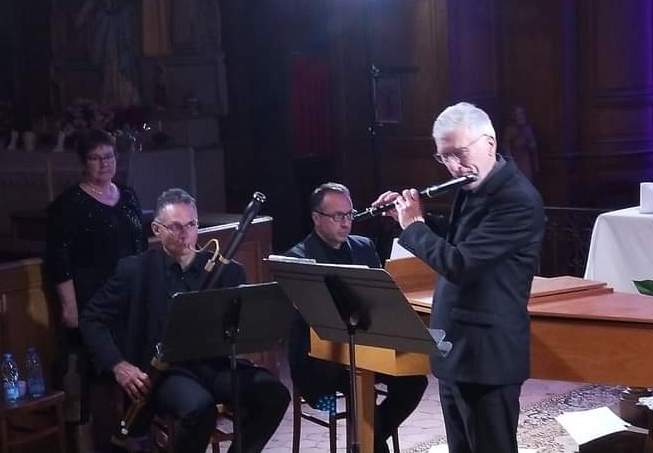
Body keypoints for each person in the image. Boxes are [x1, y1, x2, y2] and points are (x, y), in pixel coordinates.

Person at [372, 102, 545, 453]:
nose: (453, 165)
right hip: (458, 350)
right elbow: (461, 239)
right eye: (444, 157)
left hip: (487, 356)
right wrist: (406, 218)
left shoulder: (516, 199)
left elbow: (461, 263)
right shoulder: (475, 188)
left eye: (459, 153)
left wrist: (415, 226)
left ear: (490, 143)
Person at [80, 188, 290, 453]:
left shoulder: (227, 270)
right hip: (166, 372)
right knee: (198, 409)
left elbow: (240, 324)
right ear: (157, 229)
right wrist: (119, 366)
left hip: (215, 366)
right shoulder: (134, 270)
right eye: (175, 226)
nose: (185, 234)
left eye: (191, 225)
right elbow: (92, 319)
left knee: (274, 394)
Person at [284, 182, 428, 453]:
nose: (346, 222)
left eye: (349, 214)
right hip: (321, 359)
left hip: (367, 347)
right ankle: (371, 444)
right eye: (337, 216)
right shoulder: (298, 258)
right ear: (316, 218)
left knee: (414, 379)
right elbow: (313, 322)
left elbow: (379, 300)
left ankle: (368, 443)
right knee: (359, 386)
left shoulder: (363, 247)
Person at [45, 128, 147, 448]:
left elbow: (141, 247)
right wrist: (70, 307)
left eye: (110, 156)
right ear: (83, 163)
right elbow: (58, 259)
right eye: (96, 158)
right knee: (103, 382)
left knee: (140, 374)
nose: (105, 163)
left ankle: (137, 437)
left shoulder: (128, 196)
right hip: (94, 303)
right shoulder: (68, 205)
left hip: (131, 298)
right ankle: (107, 444)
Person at [502, 105, 539, 183]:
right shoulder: (510, 129)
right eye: (518, 114)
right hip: (515, 161)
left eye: (521, 114)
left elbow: (533, 146)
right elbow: (506, 147)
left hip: (526, 160)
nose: (520, 116)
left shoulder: (527, 129)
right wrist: (511, 161)